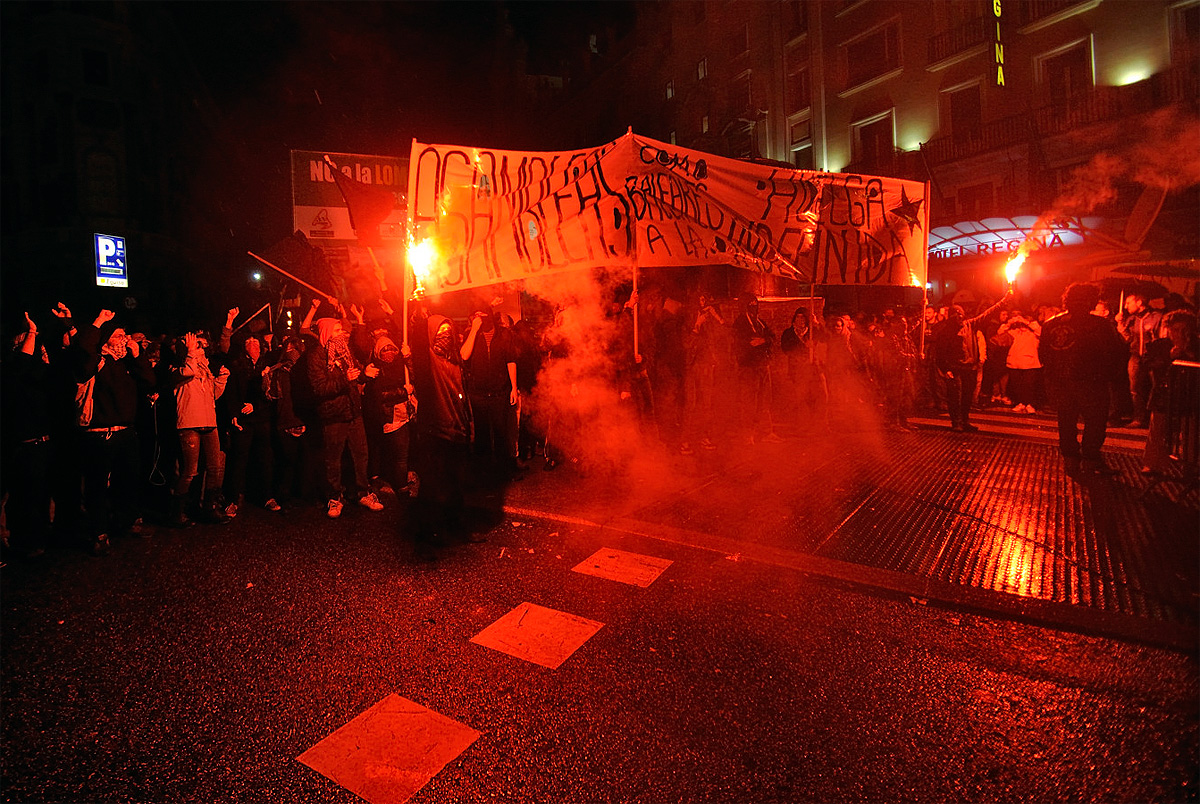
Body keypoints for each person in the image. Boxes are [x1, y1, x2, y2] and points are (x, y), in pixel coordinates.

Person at [71, 309, 157, 555]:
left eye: (124, 336)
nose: (123, 340)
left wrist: (138, 355)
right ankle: (98, 532)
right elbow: (83, 355)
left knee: (128, 480)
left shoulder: (125, 364)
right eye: (118, 336)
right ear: (105, 339)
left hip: (125, 432)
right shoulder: (96, 361)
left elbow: (149, 382)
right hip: (100, 433)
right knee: (97, 485)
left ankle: (126, 521)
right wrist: (98, 322)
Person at [1039, 283, 1128, 476]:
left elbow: (1043, 355)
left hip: (1061, 382)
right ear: (1091, 301)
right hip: (1091, 382)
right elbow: (1115, 352)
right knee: (1095, 421)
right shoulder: (1100, 325)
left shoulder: (1050, 324)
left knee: (1066, 420)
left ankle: (1071, 460)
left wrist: (1053, 376)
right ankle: (1090, 460)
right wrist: (1110, 375)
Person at [410, 313, 474, 554]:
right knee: (434, 486)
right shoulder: (427, 363)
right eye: (440, 332)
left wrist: (468, 428)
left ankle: (457, 527)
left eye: (448, 332)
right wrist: (419, 318)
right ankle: (430, 532)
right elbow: (419, 347)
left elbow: (462, 397)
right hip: (435, 433)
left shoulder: (454, 362)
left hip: (457, 432)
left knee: (456, 485)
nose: (445, 336)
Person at [308, 316, 384, 518]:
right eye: (336, 330)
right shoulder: (317, 356)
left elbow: (354, 374)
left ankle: (362, 493)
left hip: (353, 412)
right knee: (333, 459)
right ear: (326, 333)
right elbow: (319, 388)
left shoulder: (344, 351)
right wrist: (344, 379)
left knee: (361, 455)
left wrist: (364, 374)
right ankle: (334, 497)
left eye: (341, 329)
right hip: (333, 414)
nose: (341, 333)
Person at [2, 312, 54, 559]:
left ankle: (39, 540)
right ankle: (26, 543)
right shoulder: (11, 373)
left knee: (41, 496)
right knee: (26, 497)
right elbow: (20, 364)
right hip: (23, 446)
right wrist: (31, 333)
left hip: (43, 443)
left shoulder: (37, 376)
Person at [168, 330, 232, 527]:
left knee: (214, 467)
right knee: (190, 471)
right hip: (189, 423)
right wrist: (190, 352)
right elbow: (188, 372)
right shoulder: (176, 368)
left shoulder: (205, 368)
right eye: (198, 344)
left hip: (209, 422)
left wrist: (221, 379)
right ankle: (177, 513)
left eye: (203, 345)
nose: (202, 348)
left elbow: (214, 395)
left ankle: (210, 508)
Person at [931, 294, 1009, 433]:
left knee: (967, 397)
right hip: (954, 369)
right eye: (955, 314)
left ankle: (965, 420)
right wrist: (946, 369)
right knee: (955, 397)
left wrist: (1004, 301)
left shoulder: (970, 325)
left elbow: (987, 314)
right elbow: (940, 352)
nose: (958, 316)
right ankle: (956, 422)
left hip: (969, 368)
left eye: (960, 314)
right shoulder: (945, 331)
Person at [460, 301, 520, 478]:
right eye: (476, 315)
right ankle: (484, 472)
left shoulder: (503, 333)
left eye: (482, 315)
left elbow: (511, 360)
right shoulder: (471, 333)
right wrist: (473, 330)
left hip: (499, 392)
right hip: (478, 393)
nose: (479, 319)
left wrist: (514, 387)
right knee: (482, 434)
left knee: (501, 432)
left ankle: (503, 470)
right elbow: (464, 355)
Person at [1140, 309, 1199, 476]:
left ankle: (1190, 464)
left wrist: (1188, 353)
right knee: (1158, 430)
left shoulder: (1196, 346)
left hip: (1190, 395)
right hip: (1164, 394)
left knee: (1191, 432)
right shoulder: (1161, 345)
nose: (1178, 334)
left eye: (1183, 330)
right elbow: (1147, 363)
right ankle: (1153, 463)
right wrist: (1168, 358)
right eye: (1175, 329)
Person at [732, 294, 781, 444]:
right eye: (750, 304)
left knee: (764, 400)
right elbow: (742, 343)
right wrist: (756, 343)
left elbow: (771, 337)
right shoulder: (740, 323)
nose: (753, 306)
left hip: (762, 365)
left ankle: (766, 432)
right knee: (749, 401)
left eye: (755, 303)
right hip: (748, 367)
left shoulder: (759, 322)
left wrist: (763, 340)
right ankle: (748, 434)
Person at [1117, 293, 1164, 428]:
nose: (1126, 307)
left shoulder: (1156, 317)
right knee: (1135, 389)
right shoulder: (1132, 320)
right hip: (1136, 357)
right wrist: (1120, 325)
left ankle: (1156, 419)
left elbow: (1161, 338)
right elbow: (1127, 339)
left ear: (1139, 303)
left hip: (1153, 357)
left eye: (1128, 303)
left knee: (1156, 387)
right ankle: (1138, 418)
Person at [779, 306, 825, 431]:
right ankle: (803, 424)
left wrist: (816, 323)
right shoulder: (789, 333)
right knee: (801, 398)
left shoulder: (812, 332)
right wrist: (803, 348)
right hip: (798, 370)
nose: (800, 320)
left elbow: (826, 337)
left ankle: (819, 424)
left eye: (803, 318)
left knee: (819, 396)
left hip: (814, 369)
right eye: (798, 317)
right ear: (794, 319)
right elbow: (786, 349)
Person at [995, 311, 1042, 414]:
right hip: (1014, 363)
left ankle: (1029, 404)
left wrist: (1026, 322)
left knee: (1029, 385)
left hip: (1030, 364)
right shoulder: (1014, 332)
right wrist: (1009, 323)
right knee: (1017, 385)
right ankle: (1021, 403)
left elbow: (1040, 331)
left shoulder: (1034, 333)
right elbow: (1000, 333)